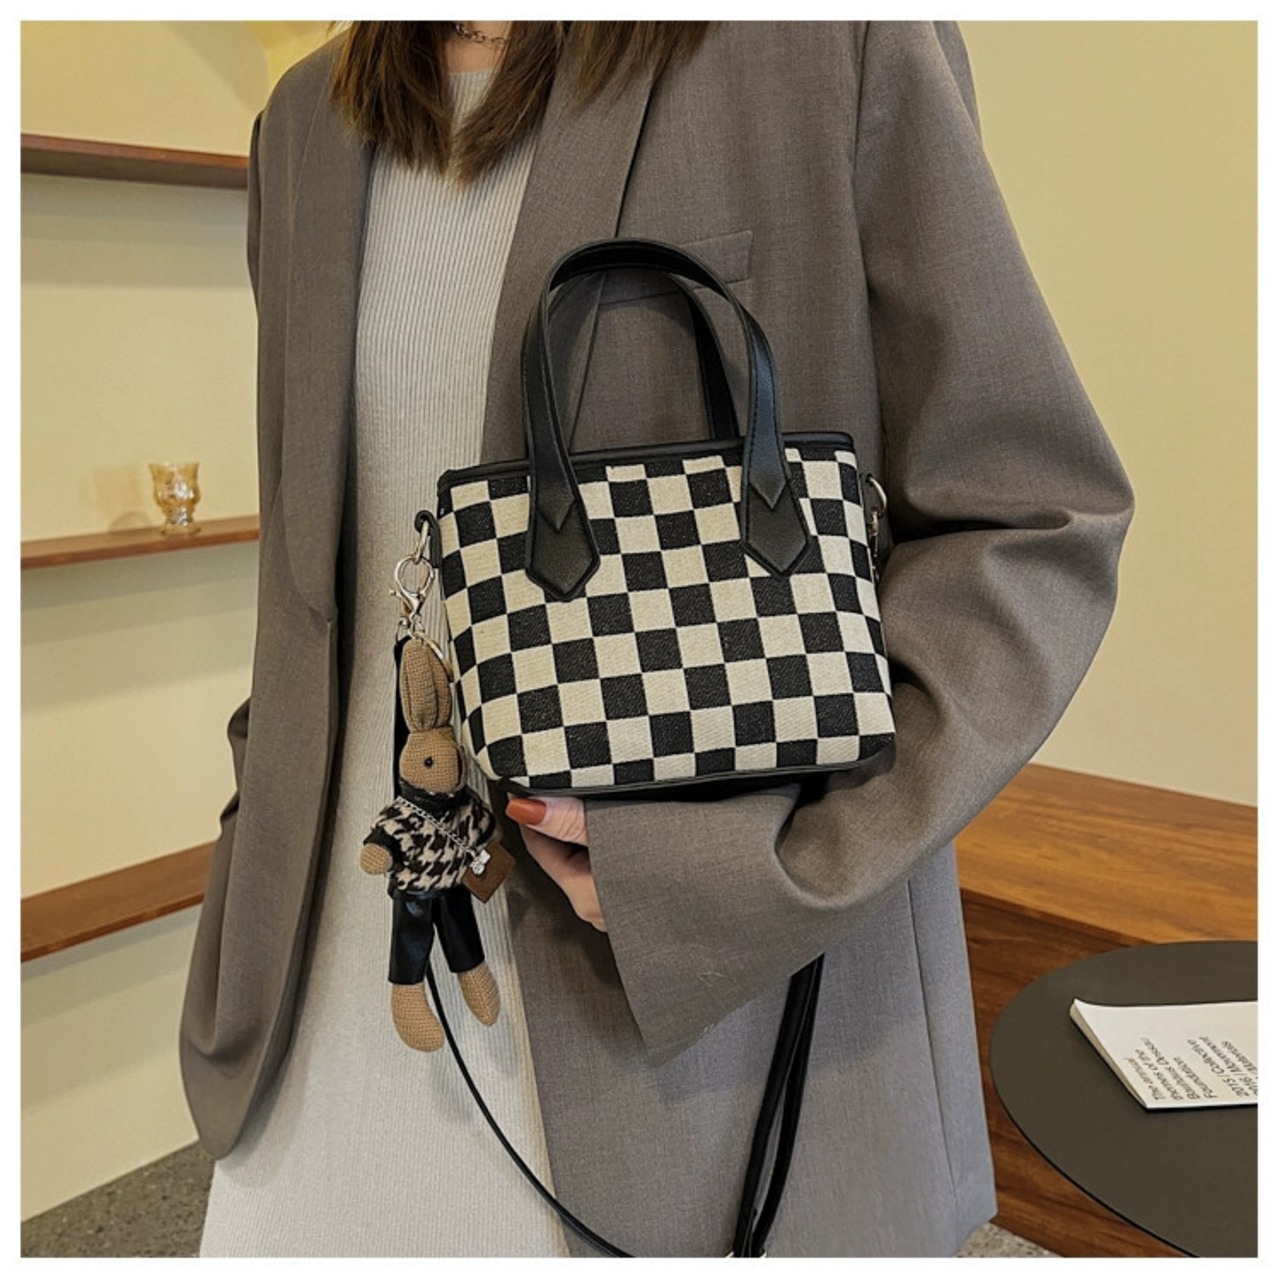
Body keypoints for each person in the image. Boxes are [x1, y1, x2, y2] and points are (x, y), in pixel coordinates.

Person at [182, 20, 1134, 1258]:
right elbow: (311, 595)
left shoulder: (824, 45)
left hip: (706, 1061)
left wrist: (737, 865)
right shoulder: (305, 123)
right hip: (307, 1047)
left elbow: (1030, 526)